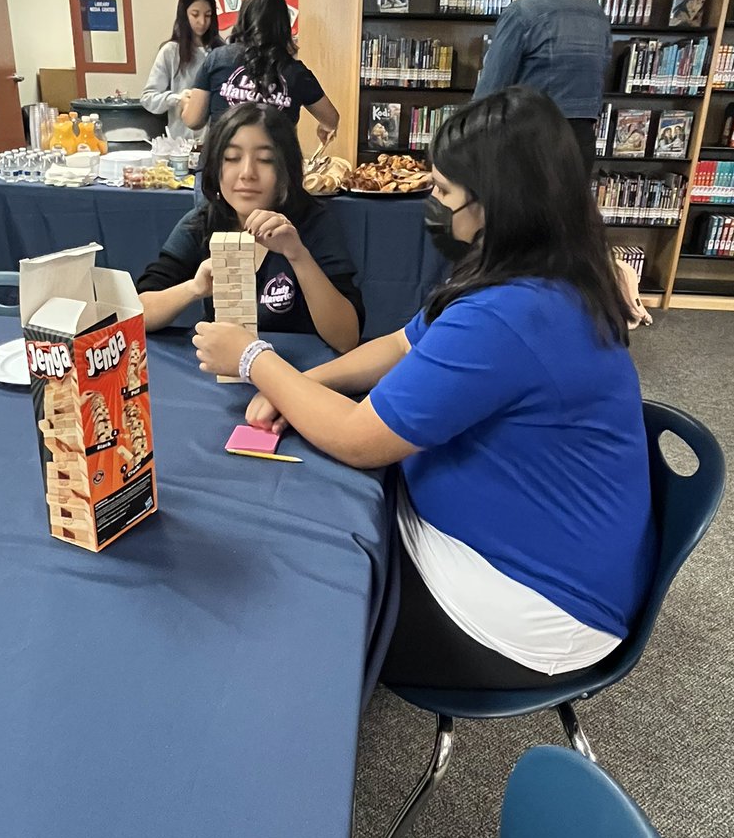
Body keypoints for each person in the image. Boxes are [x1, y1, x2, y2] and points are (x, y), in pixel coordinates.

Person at [192, 87, 657, 691]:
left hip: (531, 608)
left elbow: (360, 440)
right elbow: (402, 345)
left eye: (442, 191)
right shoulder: (540, 268)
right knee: (319, 517)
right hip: (527, 555)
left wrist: (255, 360)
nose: (429, 203)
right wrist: (303, 383)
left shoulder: (511, 312)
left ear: (494, 205)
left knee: (295, 594)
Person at [137, 102, 362, 352]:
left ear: (286, 170)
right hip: (223, 368)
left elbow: (346, 338)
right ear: (215, 168)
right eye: (232, 158)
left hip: (296, 373)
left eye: (265, 160)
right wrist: (194, 288)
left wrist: (298, 255)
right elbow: (138, 313)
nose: (247, 173)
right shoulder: (201, 223)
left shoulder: (312, 222)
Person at [472, 0, 611, 178]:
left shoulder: (524, 12)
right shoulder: (597, 14)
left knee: (518, 219)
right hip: (580, 144)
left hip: (530, 142)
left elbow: (488, 95)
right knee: (566, 218)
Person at [180, 0, 340, 141]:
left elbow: (193, 120)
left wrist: (185, 102)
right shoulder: (296, 72)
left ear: (243, 18)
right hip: (274, 165)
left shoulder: (217, 58)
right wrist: (324, 127)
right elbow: (331, 119)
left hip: (222, 164)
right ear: (283, 25)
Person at [140, 0, 223, 143]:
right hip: (180, 146)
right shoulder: (170, 52)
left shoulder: (221, 52)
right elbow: (148, 98)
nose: (202, 21)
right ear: (184, 14)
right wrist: (177, 98)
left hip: (214, 144)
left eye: (208, 15)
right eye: (195, 14)